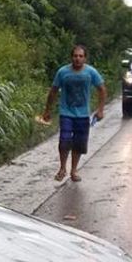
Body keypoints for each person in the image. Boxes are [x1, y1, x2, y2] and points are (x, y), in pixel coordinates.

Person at [41, 45, 107, 182]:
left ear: (85, 58)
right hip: (66, 113)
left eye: (80, 56)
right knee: (64, 141)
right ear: (71, 57)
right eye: (75, 56)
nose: (77, 59)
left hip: (83, 115)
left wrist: (100, 109)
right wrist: (47, 110)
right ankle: (62, 168)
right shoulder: (63, 72)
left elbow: (102, 89)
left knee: (79, 144)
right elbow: (53, 91)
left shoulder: (91, 72)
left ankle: (73, 170)